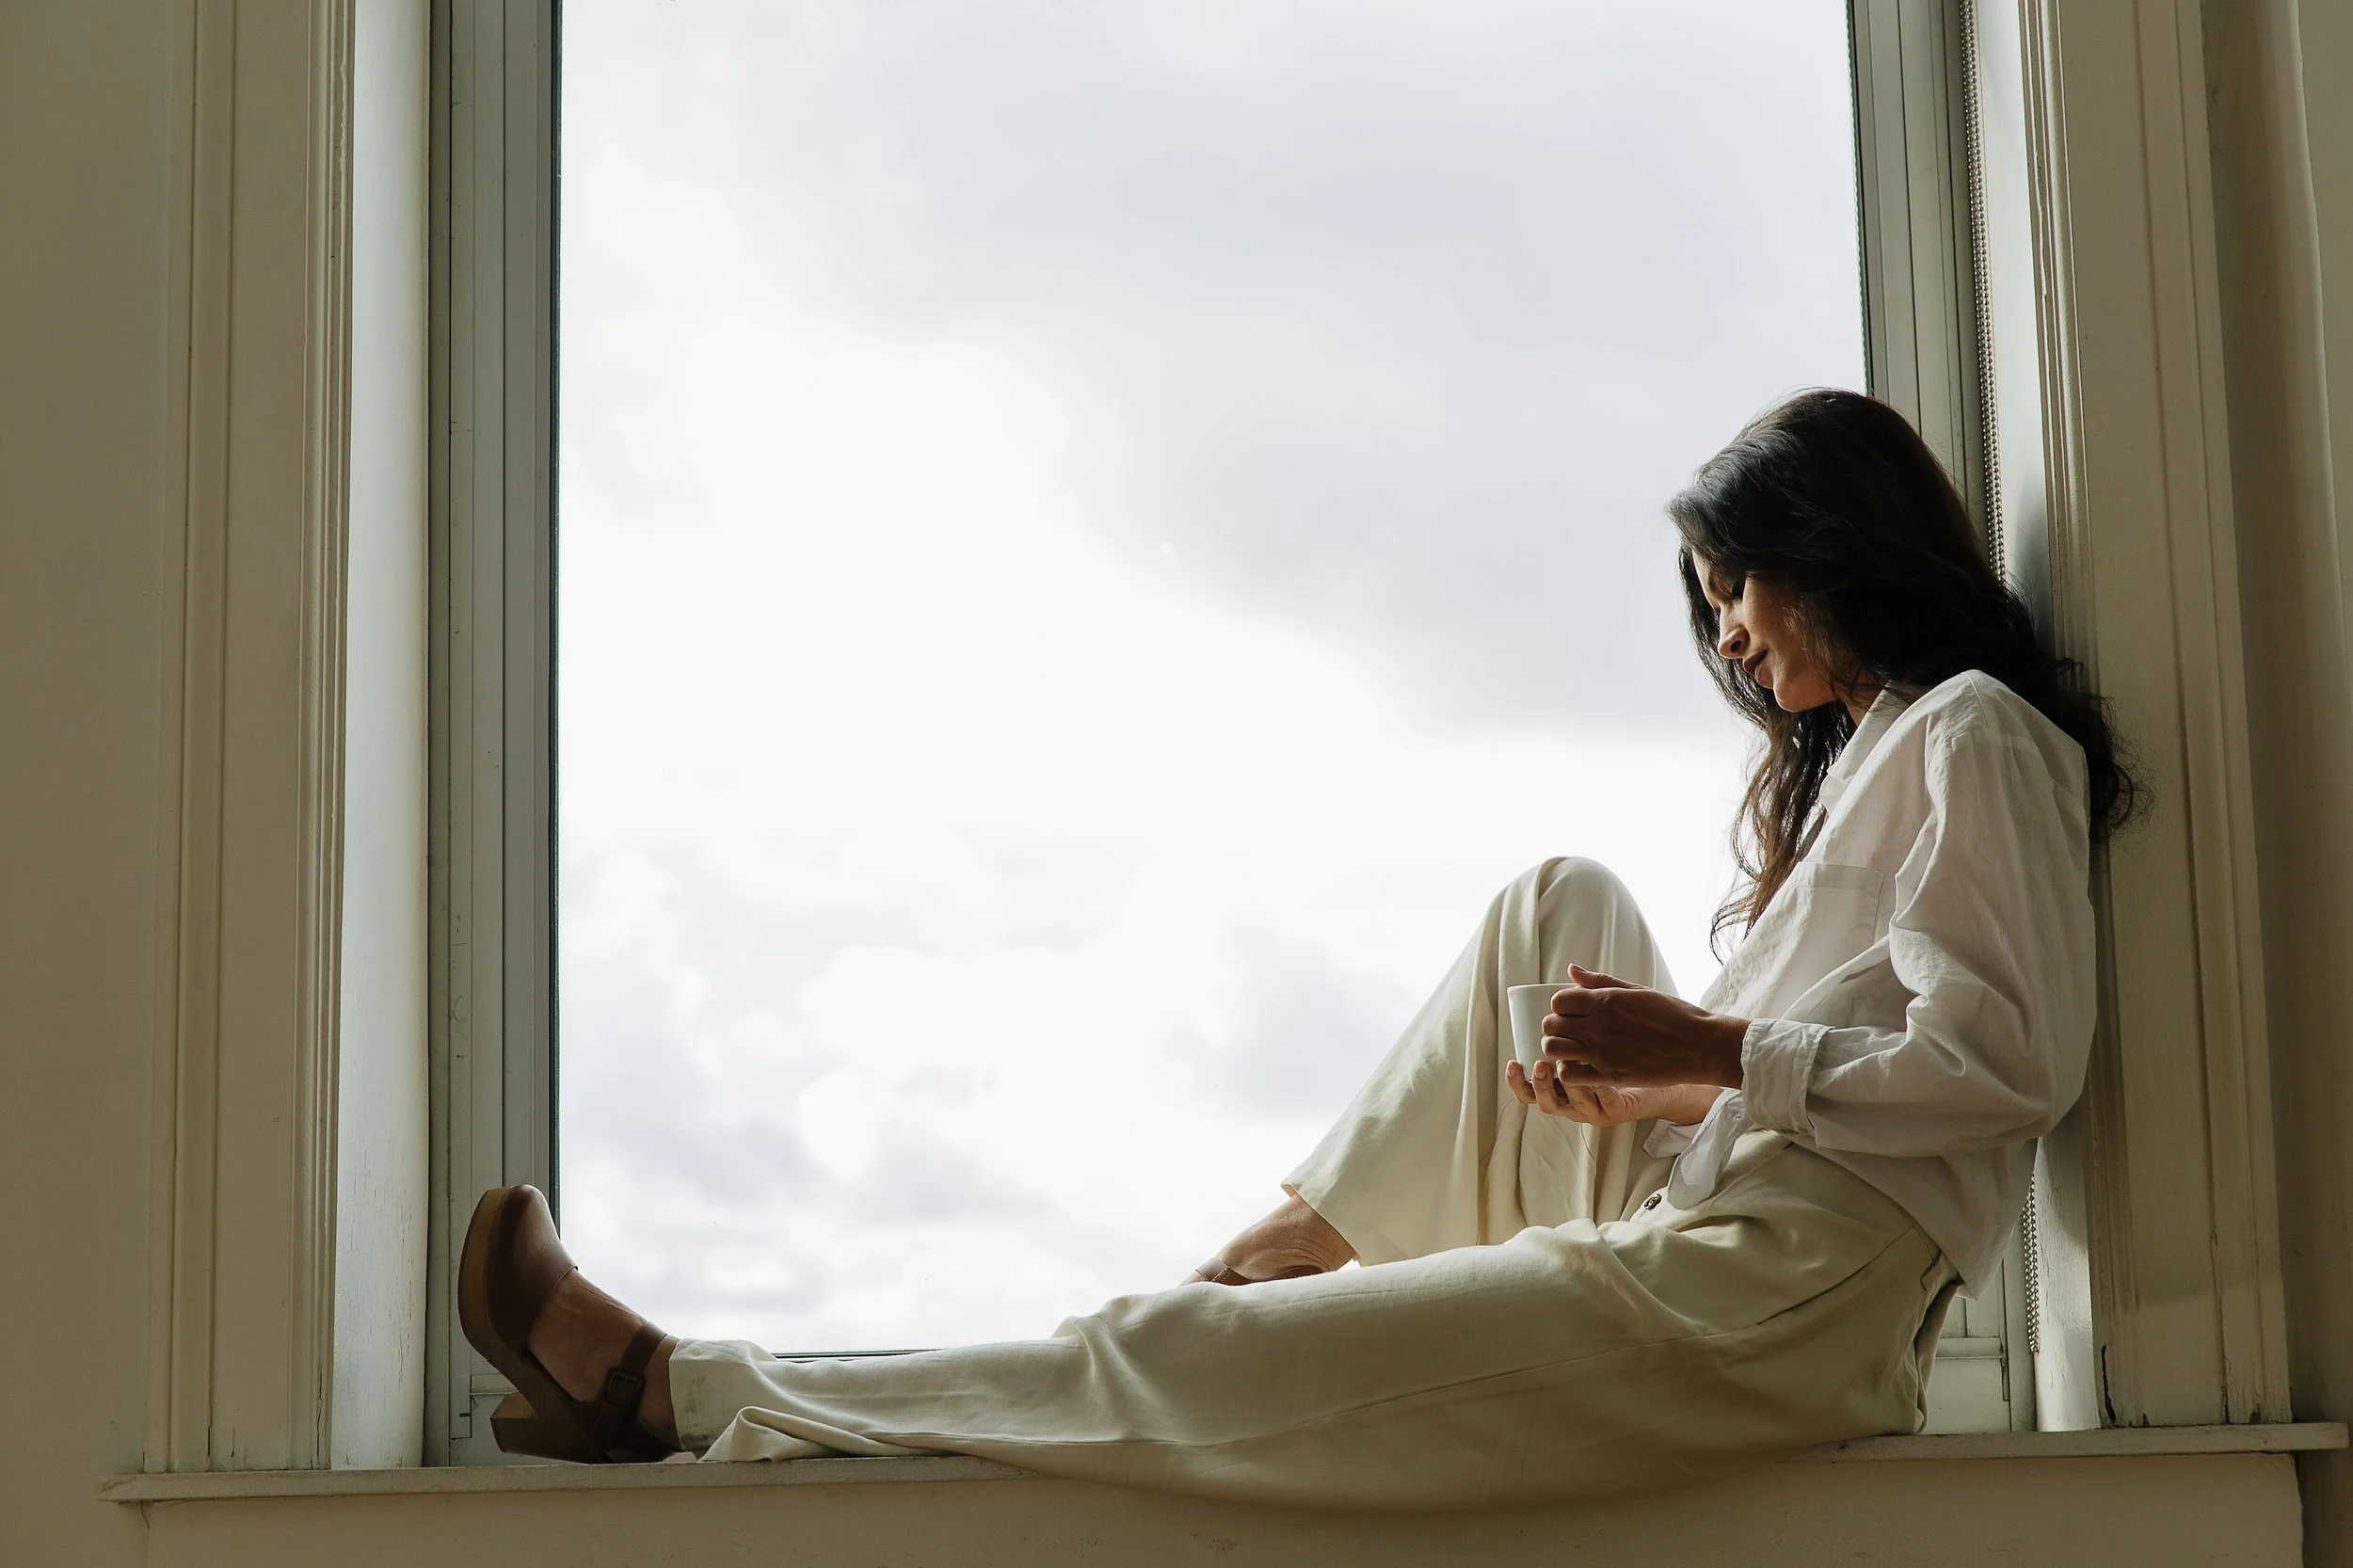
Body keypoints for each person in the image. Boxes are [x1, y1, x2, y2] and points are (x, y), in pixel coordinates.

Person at [458, 388, 2136, 1509]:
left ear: (1829, 545)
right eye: (1706, 601)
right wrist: (1677, 1093)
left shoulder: (1972, 733)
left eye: (1737, 585)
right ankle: (1298, 1236)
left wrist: (1706, 1055)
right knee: (1559, 898)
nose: (1729, 632)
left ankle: (669, 1385)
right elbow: (1826, 1074)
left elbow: (2011, 1068)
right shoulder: (1878, 761)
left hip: (1785, 1304)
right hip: (1732, 1230)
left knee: (1169, 1356)